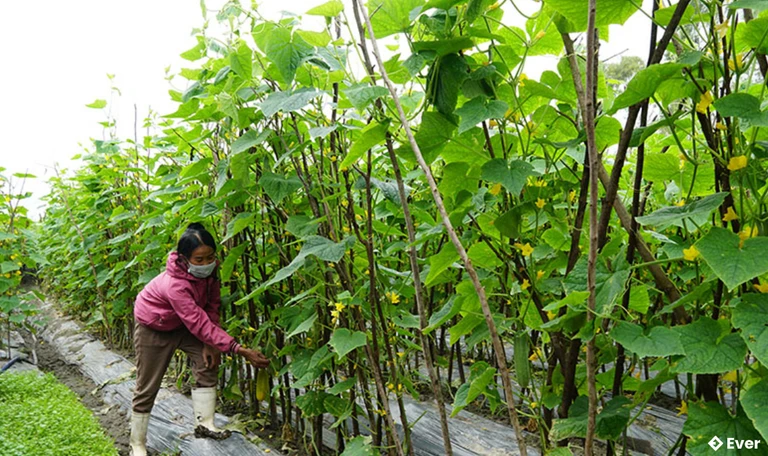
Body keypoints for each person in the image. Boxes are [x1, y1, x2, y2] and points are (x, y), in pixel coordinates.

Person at [129, 223, 269, 456]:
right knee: (148, 384)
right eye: (199, 259)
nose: (206, 264)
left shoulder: (211, 273)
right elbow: (197, 321)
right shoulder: (175, 285)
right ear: (184, 259)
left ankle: (205, 424)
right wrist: (239, 349)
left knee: (208, 361)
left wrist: (211, 343)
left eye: (210, 257)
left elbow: (211, 307)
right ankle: (137, 444)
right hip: (155, 326)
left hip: (184, 322)